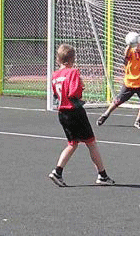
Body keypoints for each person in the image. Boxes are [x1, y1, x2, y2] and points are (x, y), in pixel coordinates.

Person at [49, 43, 115, 187]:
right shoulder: (73, 72)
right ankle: (102, 175)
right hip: (74, 112)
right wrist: (81, 88)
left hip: (62, 113)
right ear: (72, 59)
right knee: (91, 143)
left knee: (72, 144)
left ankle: (58, 171)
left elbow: (56, 94)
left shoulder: (55, 75)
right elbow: (74, 92)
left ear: (58, 59)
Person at [97, 34, 140, 129]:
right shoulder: (130, 51)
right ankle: (105, 115)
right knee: (117, 101)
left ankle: (138, 121)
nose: (137, 45)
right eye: (136, 42)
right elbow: (126, 53)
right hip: (129, 84)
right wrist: (130, 45)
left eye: (139, 43)